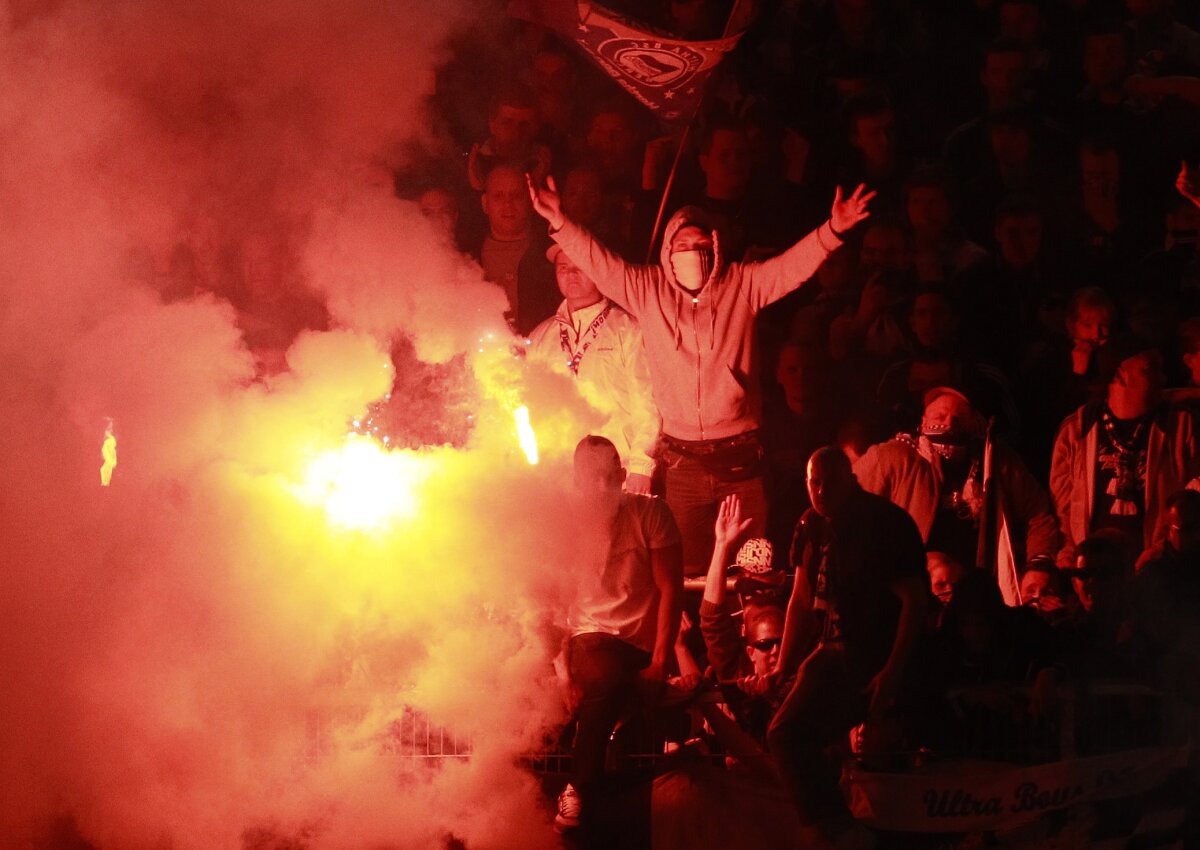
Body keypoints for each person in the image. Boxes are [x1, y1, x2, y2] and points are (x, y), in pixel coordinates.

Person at [528, 171, 875, 576]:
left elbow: (790, 268)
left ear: (715, 246)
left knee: (753, 570)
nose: (691, 252)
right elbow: (600, 264)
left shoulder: (743, 286)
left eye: (699, 244)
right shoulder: (648, 289)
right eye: (681, 245)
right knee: (686, 571)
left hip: (741, 460)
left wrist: (833, 230)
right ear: (667, 251)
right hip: (683, 466)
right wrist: (560, 223)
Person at [767, 447, 927, 849]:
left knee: (799, 735)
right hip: (832, 650)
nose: (820, 491)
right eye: (813, 482)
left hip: (871, 655)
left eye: (828, 481)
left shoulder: (882, 523)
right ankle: (837, 828)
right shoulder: (810, 525)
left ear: (849, 480)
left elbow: (915, 598)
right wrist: (782, 667)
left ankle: (844, 829)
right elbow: (802, 600)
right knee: (786, 732)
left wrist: (893, 669)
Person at [556, 436, 683, 832]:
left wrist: (661, 659)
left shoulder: (651, 514)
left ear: (622, 476)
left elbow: (671, 589)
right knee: (604, 670)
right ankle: (577, 787)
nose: (599, 488)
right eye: (590, 478)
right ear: (576, 481)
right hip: (588, 640)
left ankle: (579, 788)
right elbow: (550, 608)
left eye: (608, 478)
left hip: (637, 644)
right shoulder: (562, 524)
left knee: (616, 677)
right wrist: (562, 673)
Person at [855, 386, 1059, 604]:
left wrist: (1039, 563)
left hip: (981, 590)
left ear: (973, 425)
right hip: (911, 594)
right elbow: (852, 512)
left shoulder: (996, 459)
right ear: (923, 422)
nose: (949, 424)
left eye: (958, 418)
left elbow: (1037, 511)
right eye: (939, 417)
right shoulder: (892, 456)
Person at [1050, 336, 1200, 567]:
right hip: (1095, 572)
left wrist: (1162, 549)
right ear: (1120, 376)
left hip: (1159, 572)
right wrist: (1071, 560)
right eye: (1151, 369)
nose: (1164, 377)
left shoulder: (1181, 426)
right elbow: (1062, 511)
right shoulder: (1076, 432)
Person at [526, 245, 660, 493]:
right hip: (560, 475)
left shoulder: (629, 329)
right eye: (563, 268)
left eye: (580, 267)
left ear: (599, 271)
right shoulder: (541, 336)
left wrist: (641, 466)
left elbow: (647, 401)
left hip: (617, 472)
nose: (571, 274)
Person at [473, 163, 558, 335]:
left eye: (516, 196)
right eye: (498, 196)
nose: (508, 203)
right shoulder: (467, 257)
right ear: (485, 203)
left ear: (530, 200)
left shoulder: (553, 255)